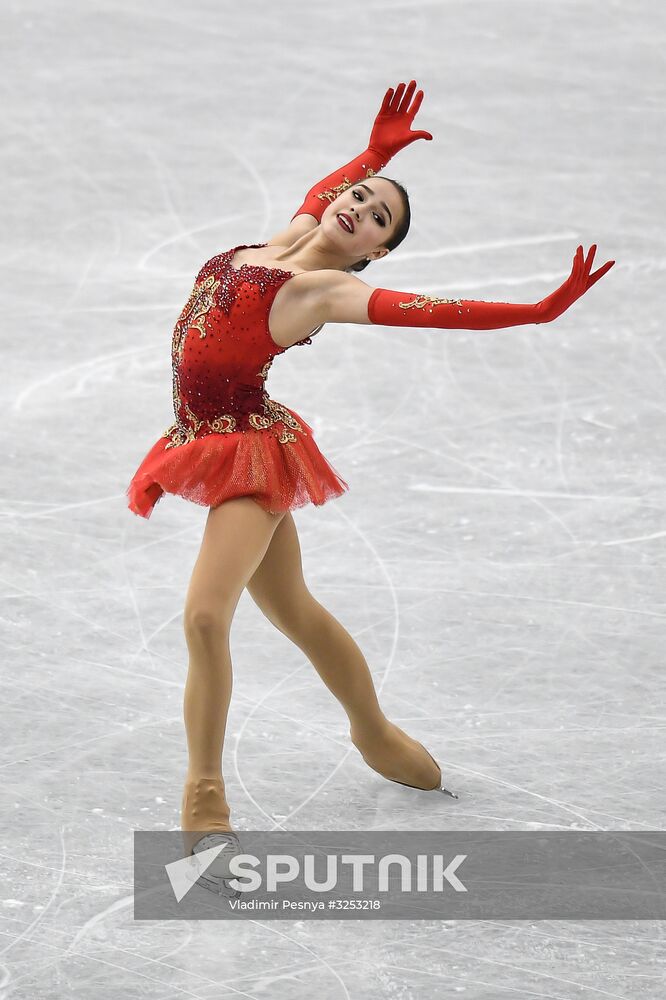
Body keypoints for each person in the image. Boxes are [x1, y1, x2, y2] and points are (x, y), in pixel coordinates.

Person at [125, 81, 615, 895]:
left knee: (207, 615)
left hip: (250, 452)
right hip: (203, 437)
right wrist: (378, 154)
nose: (357, 206)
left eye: (377, 216)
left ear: (374, 254)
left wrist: (535, 310)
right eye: (358, 197)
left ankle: (204, 798)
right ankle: (375, 732)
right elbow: (328, 189)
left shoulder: (328, 289)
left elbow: (437, 311)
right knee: (298, 613)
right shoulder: (285, 237)